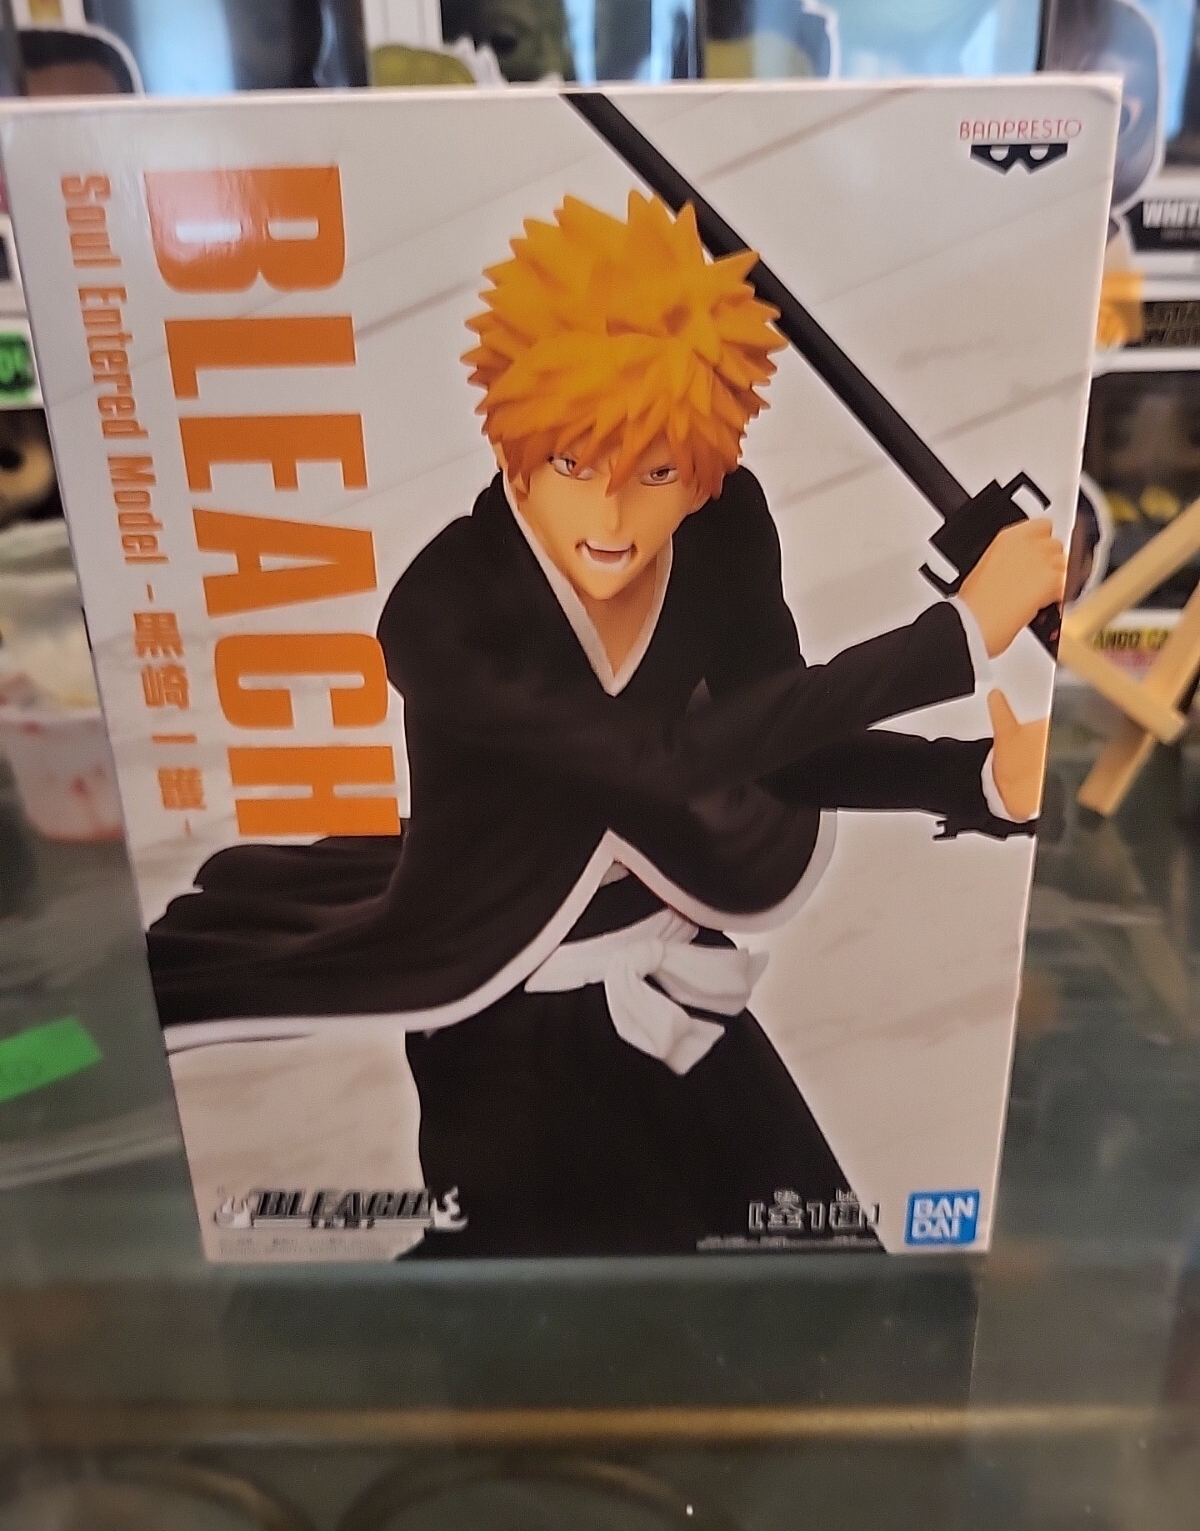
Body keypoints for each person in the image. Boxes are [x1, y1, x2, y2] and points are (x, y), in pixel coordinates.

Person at [153, 192, 1065, 1257]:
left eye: (658, 472)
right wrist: (953, 636)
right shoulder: (446, 611)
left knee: (830, 1281)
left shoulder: (722, 531)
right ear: (514, 451)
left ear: (707, 468)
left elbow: (781, 746)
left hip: (677, 977)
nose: (612, 517)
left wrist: (975, 776)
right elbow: (662, 763)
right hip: (506, 1020)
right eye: (575, 466)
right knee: (540, 1312)